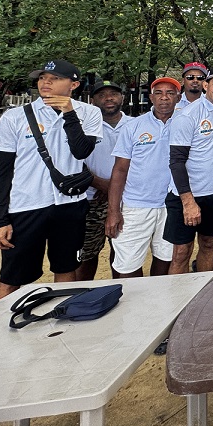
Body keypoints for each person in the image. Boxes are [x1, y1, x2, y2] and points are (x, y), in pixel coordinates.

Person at [0, 59, 102, 300]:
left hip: (69, 205)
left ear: (74, 84)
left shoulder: (90, 113)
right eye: (42, 78)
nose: (46, 82)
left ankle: (61, 322)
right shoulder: (15, 117)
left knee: (66, 268)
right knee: (11, 279)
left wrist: (69, 114)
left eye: (55, 78)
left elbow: (82, 151)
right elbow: (1, 173)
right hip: (25, 207)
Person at [165, 66, 213, 274]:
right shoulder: (187, 116)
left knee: (208, 243)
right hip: (187, 195)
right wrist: (188, 202)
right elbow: (176, 161)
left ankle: (202, 293)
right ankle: (178, 302)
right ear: (205, 85)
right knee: (181, 252)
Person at [106, 76, 180, 278]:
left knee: (165, 258)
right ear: (151, 97)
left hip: (170, 205)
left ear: (178, 97)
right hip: (136, 206)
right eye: (159, 93)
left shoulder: (185, 124)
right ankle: (133, 307)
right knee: (128, 265)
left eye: (170, 93)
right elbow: (120, 170)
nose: (164, 98)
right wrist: (113, 211)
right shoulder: (133, 127)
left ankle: (157, 304)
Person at [75, 80, 131, 281]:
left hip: (126, 199)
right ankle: (81, 296)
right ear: (92, 100)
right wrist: (99, 183)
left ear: (122, 97)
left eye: (114, 94)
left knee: (122, 252)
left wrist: (115, 188)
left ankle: (120, 292)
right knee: (87, 254)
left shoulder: (134, 124)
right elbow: (72, 162)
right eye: (102, 95)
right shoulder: (83, 128)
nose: (109, 98)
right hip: (91, 199)